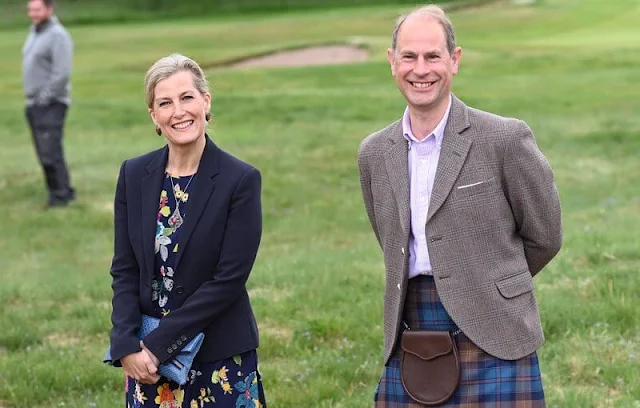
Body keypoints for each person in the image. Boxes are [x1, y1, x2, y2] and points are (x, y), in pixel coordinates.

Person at [357, 5, 562, 406]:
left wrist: (492, 283)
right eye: (409, 57)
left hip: (497, 330)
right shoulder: (374, 153)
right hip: (413, 328)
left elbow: (546, 235)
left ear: (455, 60)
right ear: (391, 62)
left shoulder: (503, 139)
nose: (421, 69)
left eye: (433, 56)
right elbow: (391, 240)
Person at [107, 53, 267, 407]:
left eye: (187, 98)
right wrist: (126, 344)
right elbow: (125, 268)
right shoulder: (134, 175)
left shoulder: (239, 180)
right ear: (154, 116)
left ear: (205, 102)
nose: (178, 112)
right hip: (145, 365)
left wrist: (158, 344)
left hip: (219, 360)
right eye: (165, 103)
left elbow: (228, 281)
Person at [22, 0, 75, 208]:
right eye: (30, 9)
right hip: (34, 103)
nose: (33, 13)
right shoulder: (35, 32)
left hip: (50, 104)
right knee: (45, 152)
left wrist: (44, 98)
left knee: (50, 151)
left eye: (37, 9)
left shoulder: (58, 35)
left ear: (49, 10)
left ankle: (61, 196)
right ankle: (60, 191)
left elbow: (61, 73)